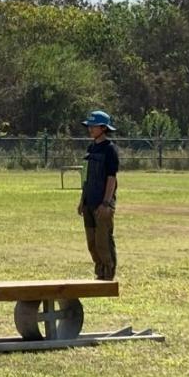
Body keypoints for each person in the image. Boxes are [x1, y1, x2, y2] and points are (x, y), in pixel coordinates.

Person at [77, 110, 119, 281]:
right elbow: (86, 177)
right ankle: (99, 272)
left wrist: (107, 203)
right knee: (92, 242)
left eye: (93, 126)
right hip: (89, 202)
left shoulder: (110, 150)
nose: (90, 129)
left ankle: (108, 274)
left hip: (103, 204)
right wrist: (82, 201)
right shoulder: (91, 148)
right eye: (89, 126)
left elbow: (111, 178)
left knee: (103, 241)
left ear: (103, 128)